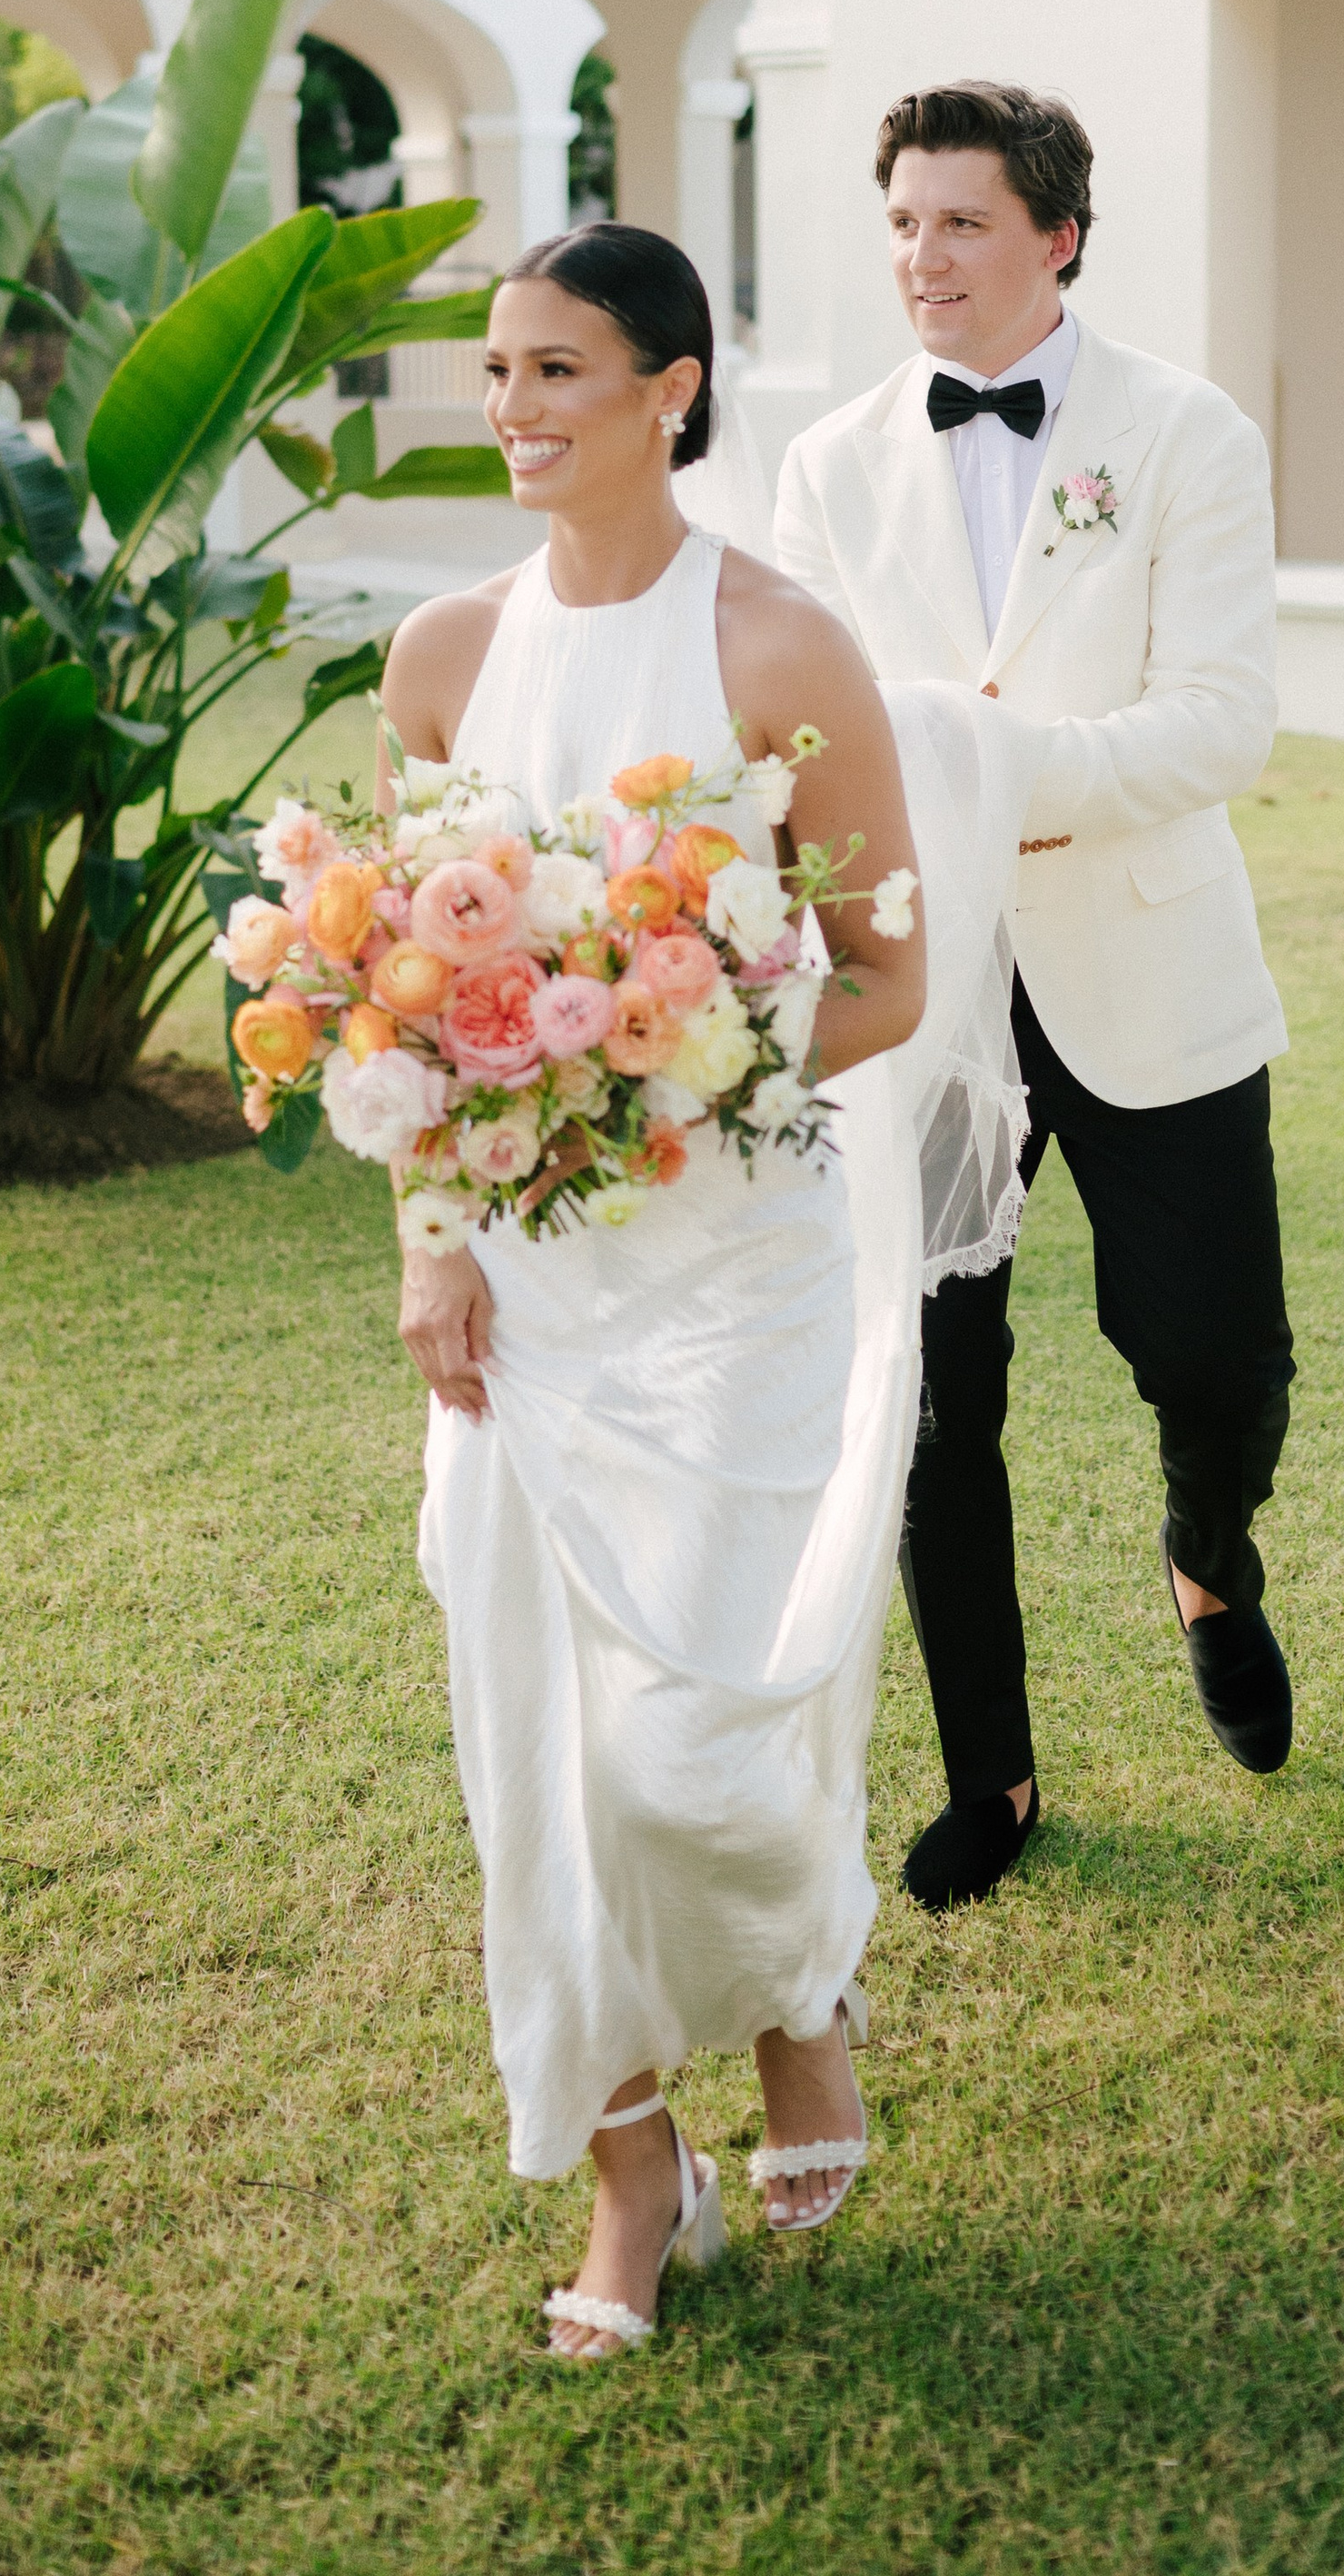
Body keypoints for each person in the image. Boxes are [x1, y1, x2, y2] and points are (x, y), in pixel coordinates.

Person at [382, 223, 938, 2362]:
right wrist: (435, 1237)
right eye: (497, 372)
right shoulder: (438, 655)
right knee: (532, 1748)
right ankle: (632, 2171)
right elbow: (401, 1002)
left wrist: (664, 1059)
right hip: (524, 1291)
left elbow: (879, 975)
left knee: (690, 1755)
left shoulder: (782, 648)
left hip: (733, 1269)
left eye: (556, 373)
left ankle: (799, 1987)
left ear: (671, 390)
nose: (512, 409)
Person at [775, 81, 1297, 1917]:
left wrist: (995, 771)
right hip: (927, 993)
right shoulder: (829, 460)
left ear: (1056, 234)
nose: (922, 258)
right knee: (931, 1395)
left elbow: (1221, 719)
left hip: (1147, 961)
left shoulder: (1185, 433)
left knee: (1214, 1358)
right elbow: (815, 730)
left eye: (961, 224)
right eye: (902, 223)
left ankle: (1205, 1554)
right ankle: (986, 1773)